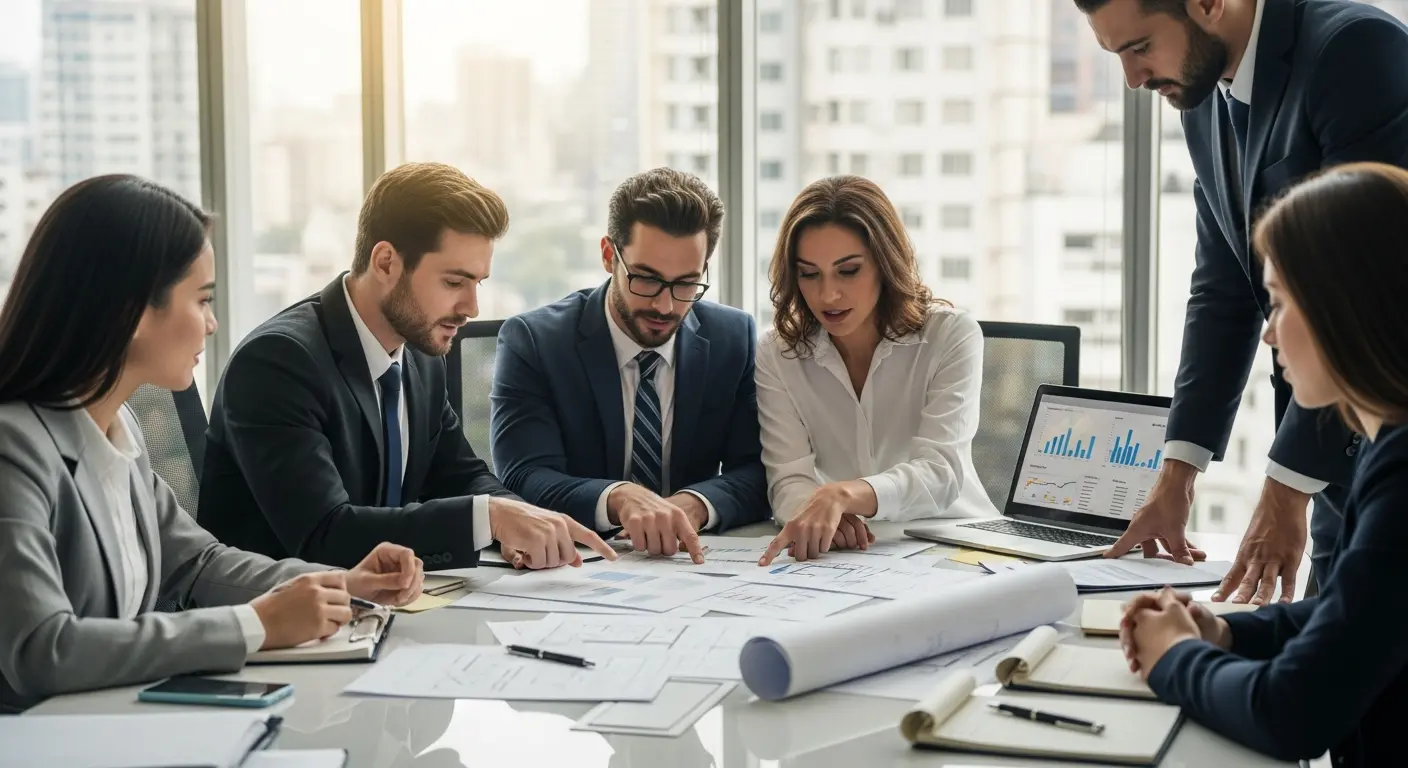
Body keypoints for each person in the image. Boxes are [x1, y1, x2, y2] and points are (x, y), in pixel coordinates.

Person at [0, 175, 425, 714]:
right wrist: (255, 625)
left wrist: (341, 583)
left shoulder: (120, 427)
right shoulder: (14, 449)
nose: (212, 323)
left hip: (118, 723)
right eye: (201, 300)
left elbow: (198, 563)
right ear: (130, 311)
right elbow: (43, 651)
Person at [1076, 0, 1408, 603]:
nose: (1133, 80)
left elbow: (1367, 294)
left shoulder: (1356, 51)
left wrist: (1284, 490)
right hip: (1333, 468)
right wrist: (1177, 473)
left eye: (1140, 47)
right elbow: (1224, 284)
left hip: (1382, 447)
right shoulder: (1202, 93)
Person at [1118, 162, 1408, 766]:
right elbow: (1355, 620)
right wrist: (1224, 633)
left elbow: (1292, 712)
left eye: (1278, 304)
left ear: (1345, 305)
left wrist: (1173, 656)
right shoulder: (1387, 451)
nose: (1270, 335)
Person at [199, 162, 616, 571]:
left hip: (383, 611)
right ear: (385, 263)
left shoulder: (418, 352)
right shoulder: (279, 363)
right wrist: (489, 518)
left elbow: (461, 475)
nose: (471, 307)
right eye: (454, 283)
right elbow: (323, 534)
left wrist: (518, 519)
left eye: (478, 283)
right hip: (284, 623)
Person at [491, 169, 768, 560]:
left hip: (689, 564)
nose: (665, 306)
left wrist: (694, 504)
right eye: (646, 279)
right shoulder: (535, 342)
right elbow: (524, 477)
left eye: (686, 283)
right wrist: (620, 498)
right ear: (609, 256)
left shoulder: (732, 337)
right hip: (580, 564)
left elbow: (758, 470)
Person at [756, 176, 997, 565]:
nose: (827, 295)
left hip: (956, 546)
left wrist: (845, 495)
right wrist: (816, 512)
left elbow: (940, 473)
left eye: (848, 271)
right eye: (809, 273)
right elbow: (788, 479)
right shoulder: (777, 352)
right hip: (849, 555)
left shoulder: (951, 335)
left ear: (885, 264)